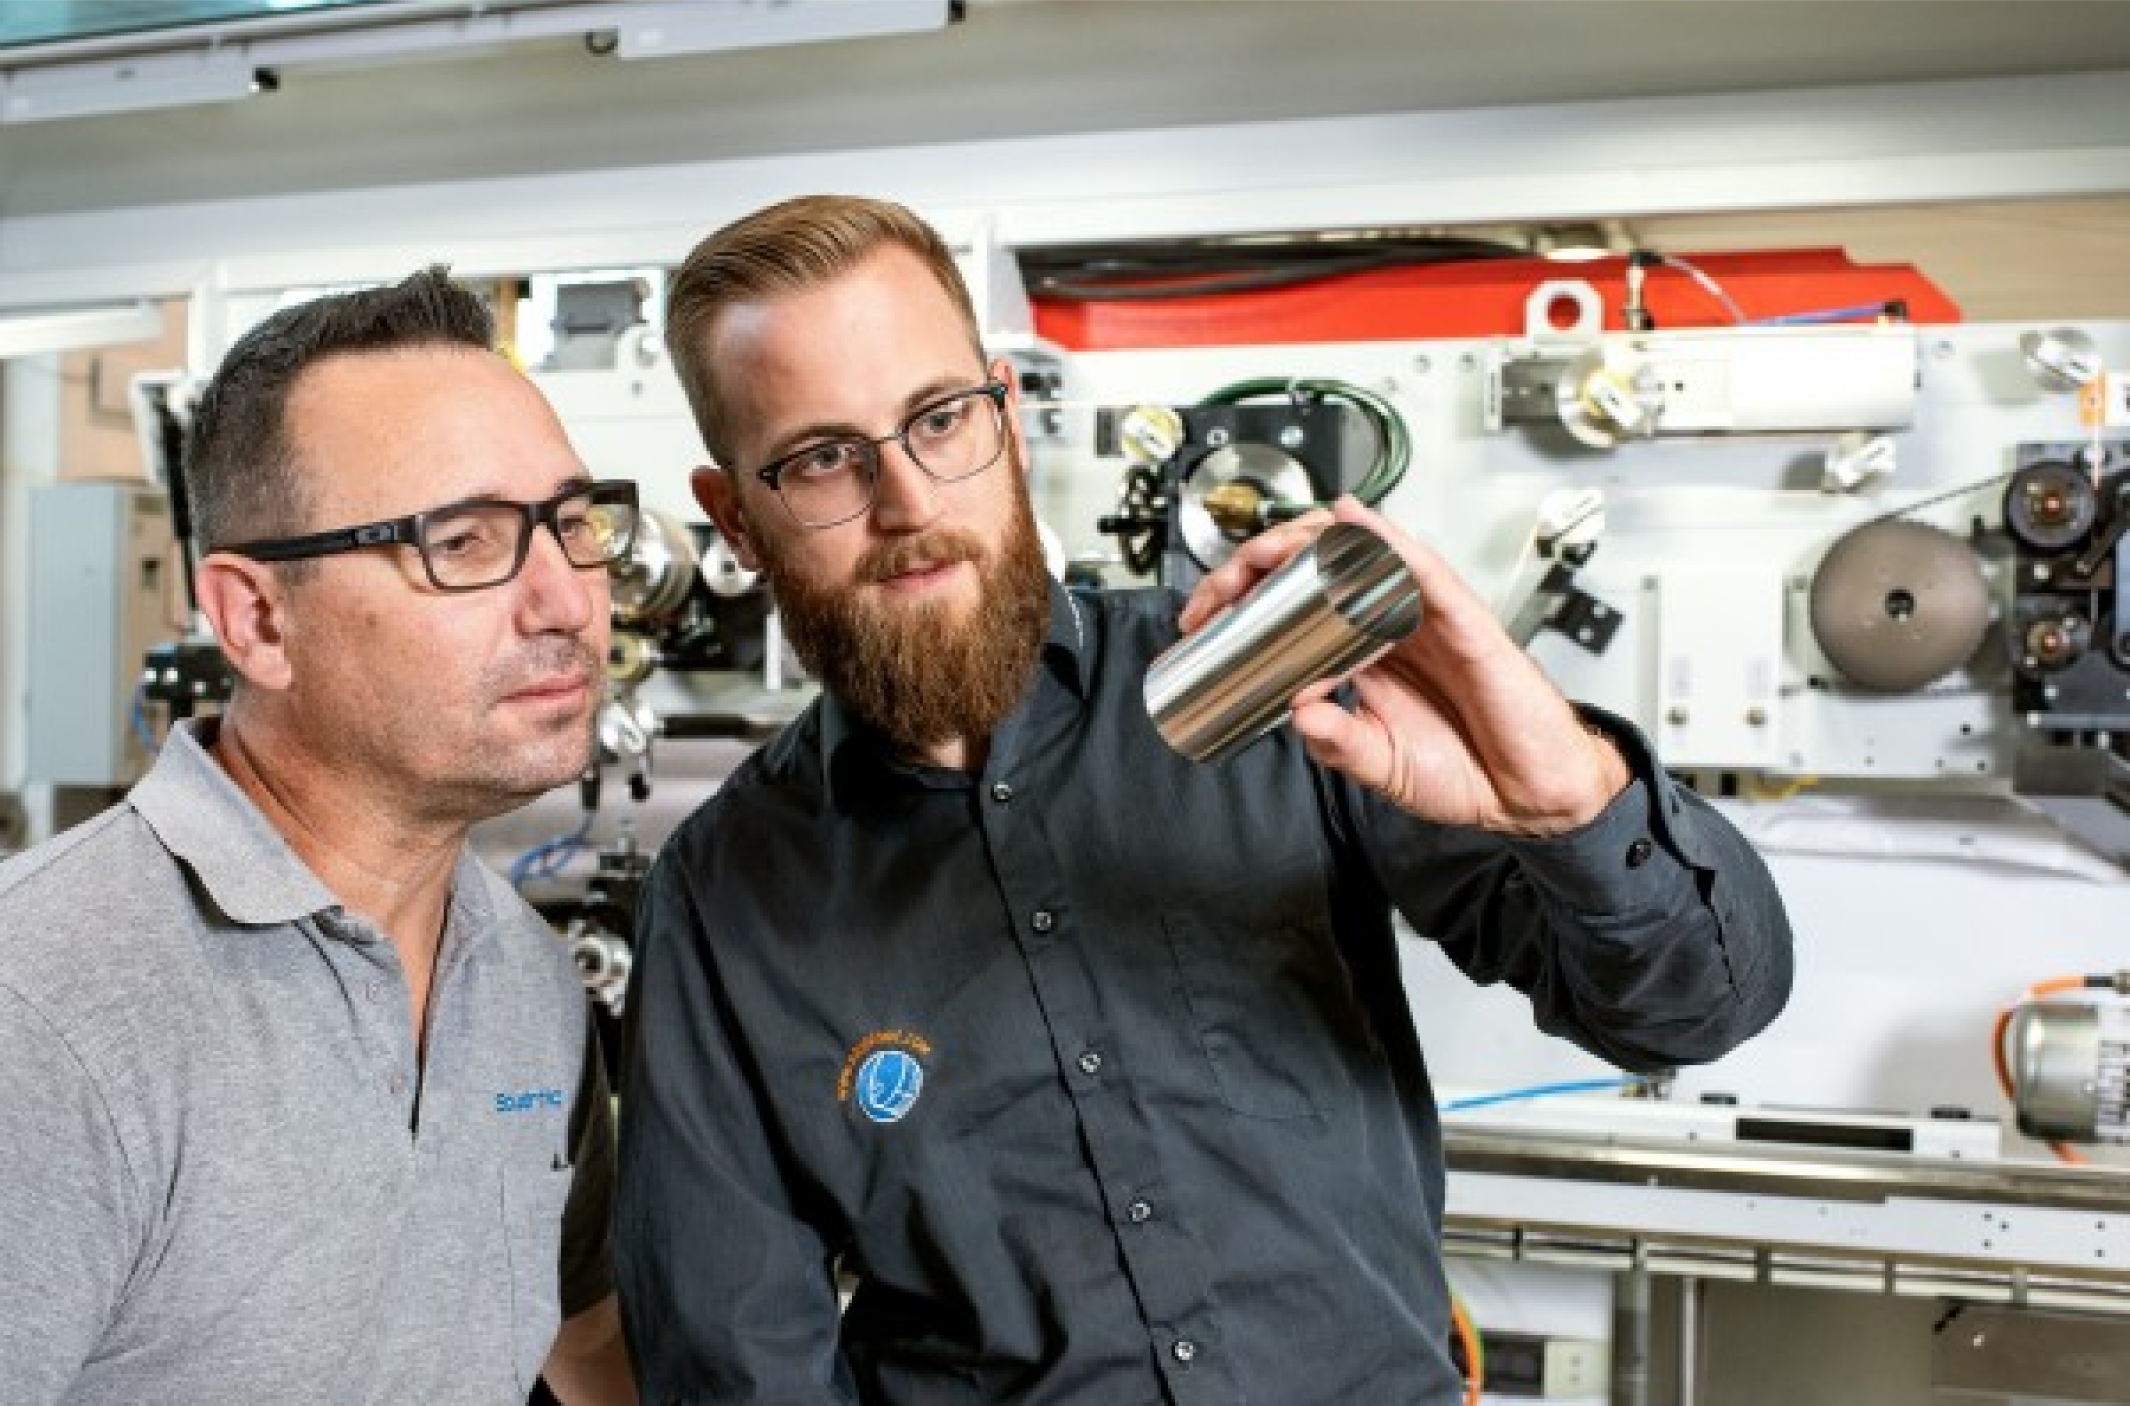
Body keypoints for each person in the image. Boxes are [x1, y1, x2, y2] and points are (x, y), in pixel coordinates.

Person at [615, 195, 1794, 1405]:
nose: (908, 502)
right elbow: (735, 1368)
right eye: (822, 459)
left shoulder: (1277, 692)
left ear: (1008, 425)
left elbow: (1696, 1009)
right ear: (734, 523)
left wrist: (1568, 794)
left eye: (939, 419)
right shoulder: (721, 899)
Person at [0, 267, 639, 1406]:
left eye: (574, 523)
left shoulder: (530, 985)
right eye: (465, 540)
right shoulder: (46, 1013)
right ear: (256, 618)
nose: (566, 600)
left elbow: (584, 1343)